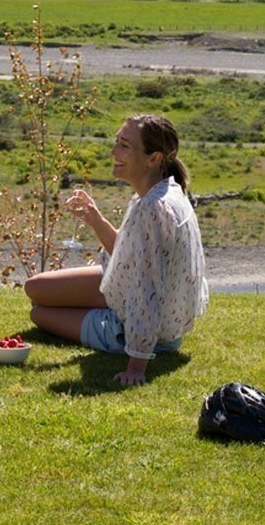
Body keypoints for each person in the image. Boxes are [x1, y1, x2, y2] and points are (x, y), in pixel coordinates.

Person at [24, 114, 208, 387]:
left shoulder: (155, 208)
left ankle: (119, 335)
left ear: (154, 158)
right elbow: (130, 256)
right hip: (129, 295)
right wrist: (94, 218)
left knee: (38, 313)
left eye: (124, 145)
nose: (114, 151)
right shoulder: (159, 193)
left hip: (141, 330)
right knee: (34, 288)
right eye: (117, 142)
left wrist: (136, 365)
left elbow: (149, 289)